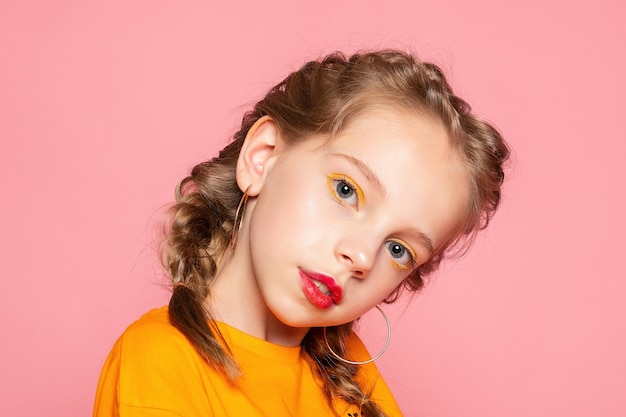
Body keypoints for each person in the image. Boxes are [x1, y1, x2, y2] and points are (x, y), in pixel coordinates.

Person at [94, 49, 510, 417]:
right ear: (263, 158)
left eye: (398, 249)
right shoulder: (161, 362)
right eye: (346, 190)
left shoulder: (354, 384)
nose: (362, 256)